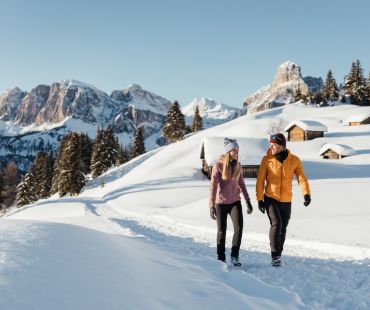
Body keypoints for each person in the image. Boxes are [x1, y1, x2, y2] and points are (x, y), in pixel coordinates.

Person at [256, 133, 311, 267]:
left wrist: (306, 193)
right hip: (271, 197)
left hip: (286, 199)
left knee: (283, 227)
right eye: (270, 145)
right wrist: (260, 198)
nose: (271, 148)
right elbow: (260, 180)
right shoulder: (266, 160)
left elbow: (301, 178)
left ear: (281, 146)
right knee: (277, 223)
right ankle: (275, 256)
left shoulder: (294, 160)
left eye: (273, 145)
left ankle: (278, 254)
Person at [209, 138, 253, 266]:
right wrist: (211, 206)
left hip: (235, 201)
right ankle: (221, 258)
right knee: (221, 231)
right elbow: (213, 186)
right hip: (221, 203)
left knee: (238, 229)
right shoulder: (219, 165)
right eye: (234, 150)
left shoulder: (238, 165)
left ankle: (234, 256)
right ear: (228, 151)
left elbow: (242, 184)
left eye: (237, 150)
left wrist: (248, 201)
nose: (236, 152)